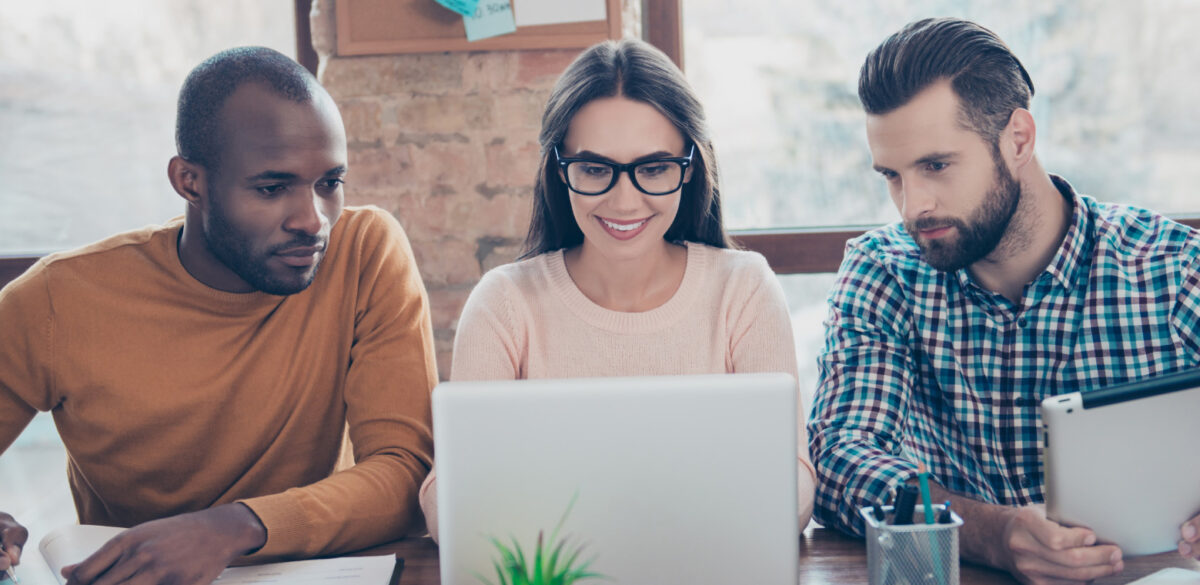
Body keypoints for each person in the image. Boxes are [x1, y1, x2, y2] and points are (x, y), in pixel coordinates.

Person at [0, 47, 437, 584]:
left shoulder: (364, 253)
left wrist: (232, 528)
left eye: (329, 183)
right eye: (273, 188)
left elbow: (405, 474)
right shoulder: (56, 299)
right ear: (190, 182)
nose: (313, 220)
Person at [809, 17, 1200, 585]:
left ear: (1018, 138)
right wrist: (988, 532)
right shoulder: (884, 271)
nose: (913, 205)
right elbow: (839, 458)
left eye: (936, 165)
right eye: (892, 175)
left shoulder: (1171, 268)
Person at [417, 38, 817, 542]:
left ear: (689, 166)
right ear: (559, 170)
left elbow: (794, 481)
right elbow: (445, 497)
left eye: (652, 169)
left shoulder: (744, 288)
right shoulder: (504, 303)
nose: (624, 201)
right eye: (594, 169)